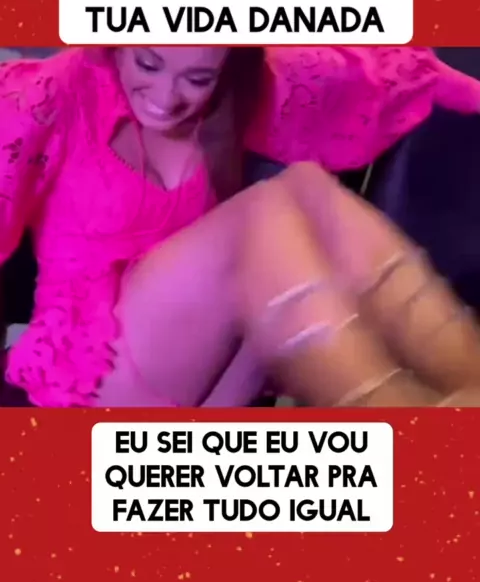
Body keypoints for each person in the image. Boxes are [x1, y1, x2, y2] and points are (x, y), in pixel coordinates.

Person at [1, 46, 480, 408]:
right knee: (260, 211)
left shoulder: (237, 98)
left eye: (197, 78)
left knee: (306, 187)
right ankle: (399, 413)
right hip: (89, 372)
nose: (167, 97)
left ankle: (466, 378)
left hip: (202, 369)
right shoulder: (58, 92)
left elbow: (376, 75)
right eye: (148, 64)